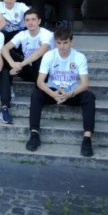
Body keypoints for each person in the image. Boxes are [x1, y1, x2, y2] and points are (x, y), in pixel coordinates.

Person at [25, 28, 95, 157]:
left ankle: (87, 138)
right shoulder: (49, 55)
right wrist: (53, 94)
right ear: (55, 43)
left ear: (71, 42)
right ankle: (34, 134)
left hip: (71, 93)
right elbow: (40, 82)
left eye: (65, 43)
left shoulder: (79, 57)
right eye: (59, 43)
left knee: (89, 97)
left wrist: (70, 94)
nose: (62, 47)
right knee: (36, 94)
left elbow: (85, 84)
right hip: (53, 92)